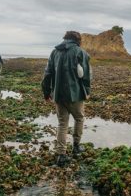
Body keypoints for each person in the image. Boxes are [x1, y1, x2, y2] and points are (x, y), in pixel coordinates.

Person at [41, 31, 91, 167]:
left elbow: (47, 74)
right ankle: (76, 146)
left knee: (62, 124)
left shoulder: (54, 52)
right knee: (79, 118)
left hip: (58, 95)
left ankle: (61, 155)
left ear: (65, 39)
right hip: (75, 95)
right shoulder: (81, 53)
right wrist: (87, 91)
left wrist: (46, 92)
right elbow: (86, 75)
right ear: (77, 40)